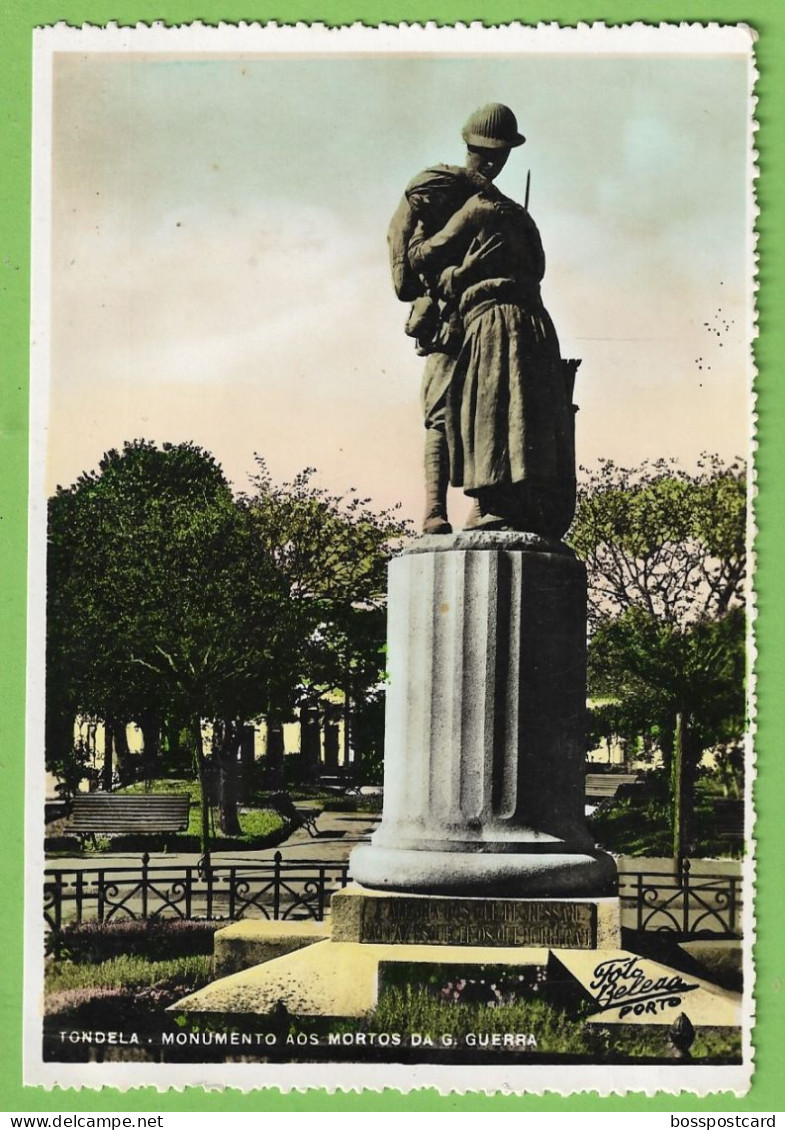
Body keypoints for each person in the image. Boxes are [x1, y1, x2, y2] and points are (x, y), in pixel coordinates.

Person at [408, 103, 578, 538]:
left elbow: (423, 257)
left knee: (490, 412)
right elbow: (536, 268)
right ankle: (495, 506)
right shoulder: (516, 216)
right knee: (511, 412)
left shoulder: (480, 207)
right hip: (530, 325)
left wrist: (457, 274)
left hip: (491, 323)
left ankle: (491, 505)